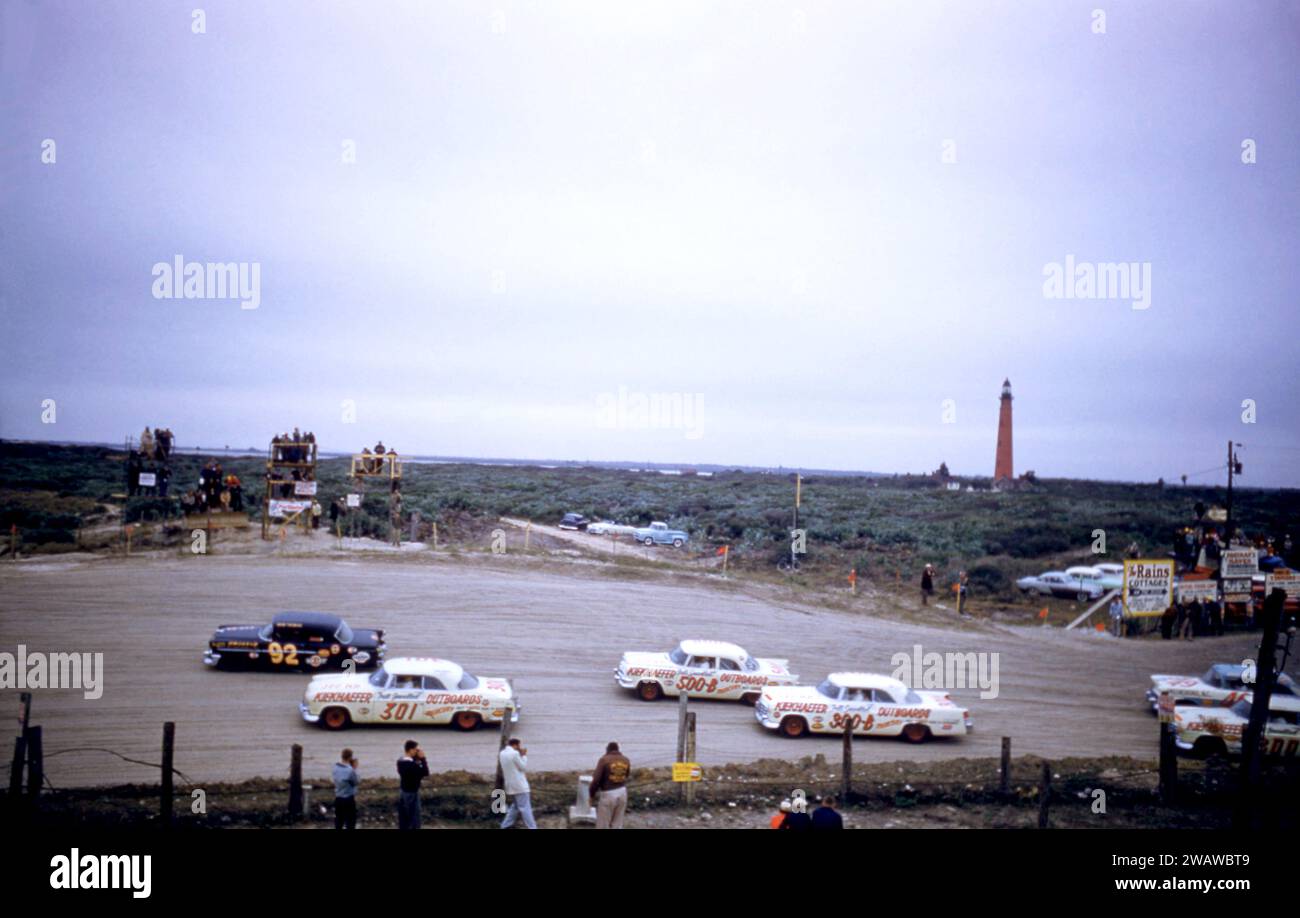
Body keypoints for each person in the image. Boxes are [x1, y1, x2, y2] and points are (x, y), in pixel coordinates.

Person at [589, 741, 631, 829]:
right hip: (622, 792)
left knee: (603, 824)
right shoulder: (626, 760)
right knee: (617, 823)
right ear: (618, 750)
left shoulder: (604, 760)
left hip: (608, 793)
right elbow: (626, 775)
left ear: (607, 749)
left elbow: (596, 780)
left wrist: (591, 794)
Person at [499, 737, 536, 829]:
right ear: (515, 745)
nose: (520, 747)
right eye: (519, 745)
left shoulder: (502, 753)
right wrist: (523, 755)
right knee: (525, 808)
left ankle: (505, 825)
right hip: (520, 786)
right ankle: (532, 827)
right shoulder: (515, 753)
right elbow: (523, 767)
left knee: (515, 807)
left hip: (510, 786)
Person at [396, 740, 428, 829]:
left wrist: (416, 760)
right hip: (412, 792)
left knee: (404, 817)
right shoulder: (411, 765)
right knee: (415, 817)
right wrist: (423, 759)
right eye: (416, 749)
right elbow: (425, 772)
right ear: (410, 750)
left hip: (403, 790)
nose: (417, 751)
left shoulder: (400, 761)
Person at [333, 748, 359, 829]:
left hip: (338, 797)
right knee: (350, 822)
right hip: (348, 799)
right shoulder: (350, 770)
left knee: (338, 822)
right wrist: (355, 768)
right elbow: (356, 782)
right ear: (350, 757)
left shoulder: (335, 767)